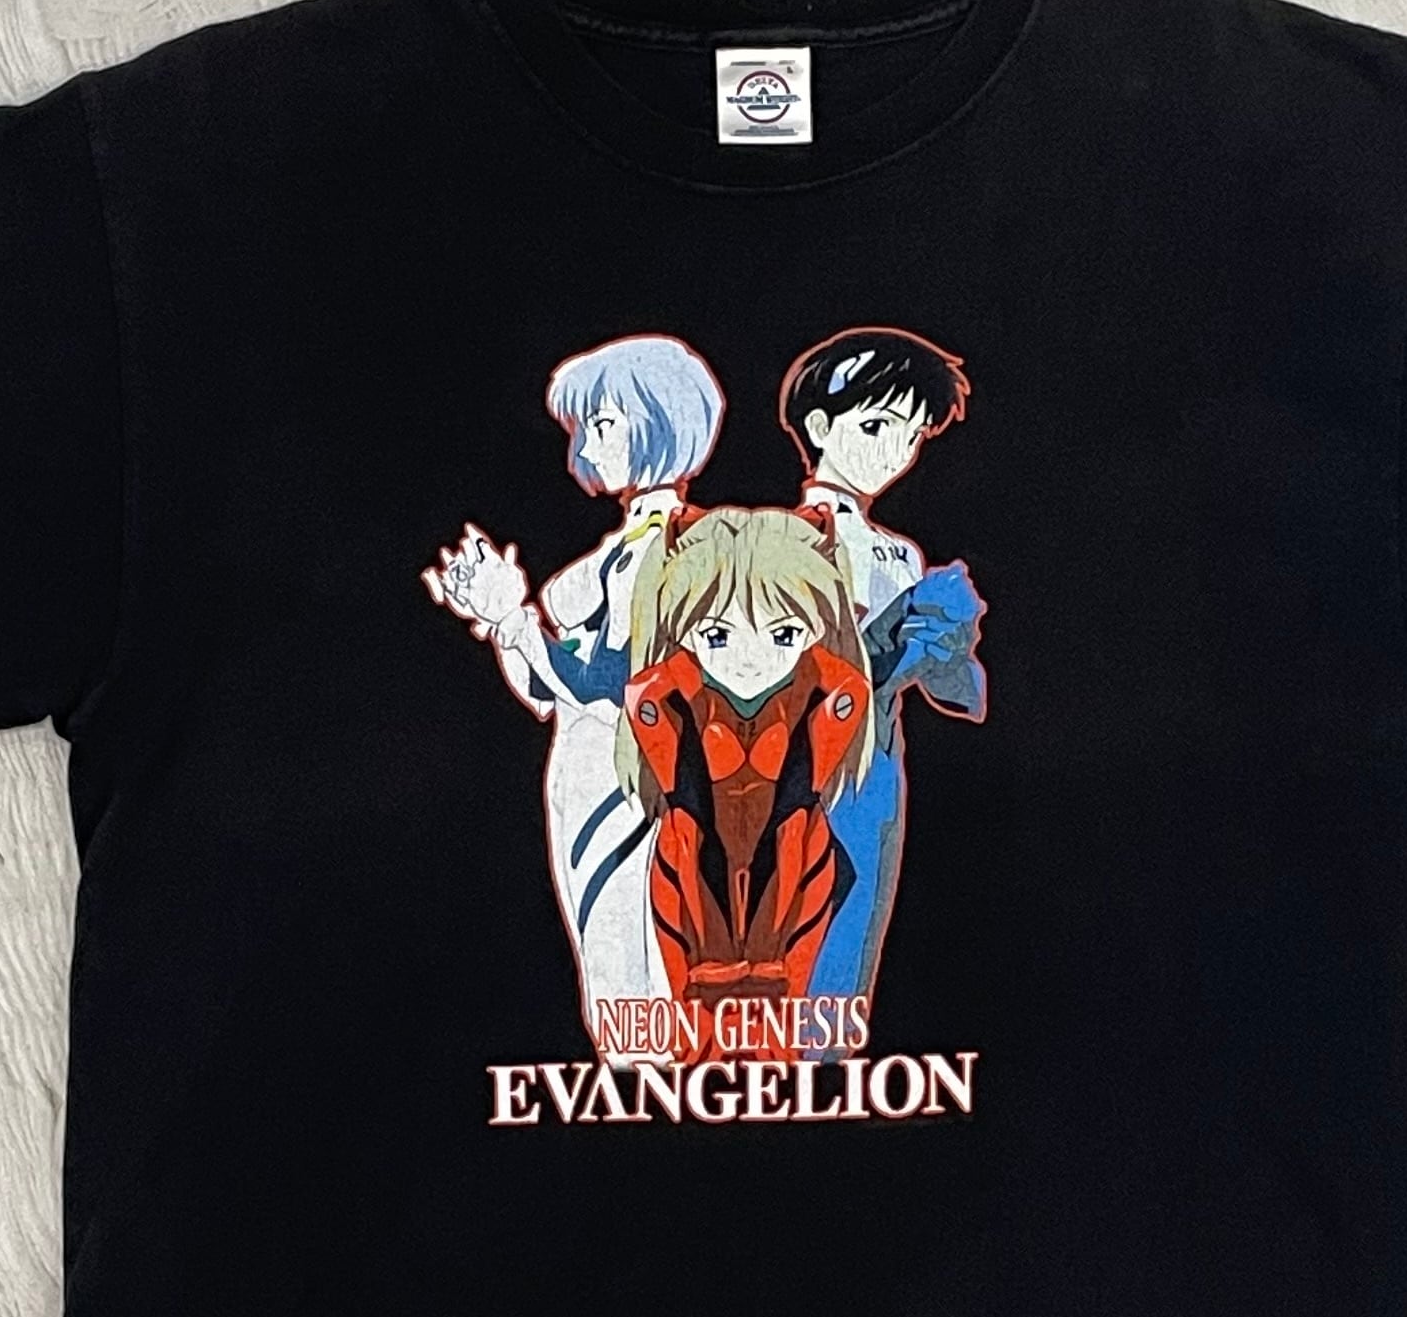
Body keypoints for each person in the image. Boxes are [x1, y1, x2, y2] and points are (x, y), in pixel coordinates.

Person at [422, 335, 723, 1053]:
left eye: (605, 422)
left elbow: (609, 681)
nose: (588, 444)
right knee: (605, 958)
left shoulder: (678, 550)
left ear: (661, 422)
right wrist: (505, 623)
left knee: (638, 959)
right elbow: (551, 691)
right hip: (585, 774)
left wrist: (515, 620)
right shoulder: (620, 548)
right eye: (583, 426)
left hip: (637, 779)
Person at [774, 329, 987, 1025]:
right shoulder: (779, 540)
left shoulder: (900, 555)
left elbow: (954, 689)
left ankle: (828, 1055)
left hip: (874, 771)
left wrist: (946, 643)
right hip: (791, 763)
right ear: (819, 428)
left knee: (854, 928)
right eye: (874, 427)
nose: (892, 451)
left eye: (910, 435)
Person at [616, 506, 875, 1054]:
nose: (751, 661)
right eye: (718, 634)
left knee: (783, 1023)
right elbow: (645, 700)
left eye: (783, 633)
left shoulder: (817, 694)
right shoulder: (678, 701)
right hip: (690, 870)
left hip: (796, 866)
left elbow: (848, 691)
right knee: (693, 1025)